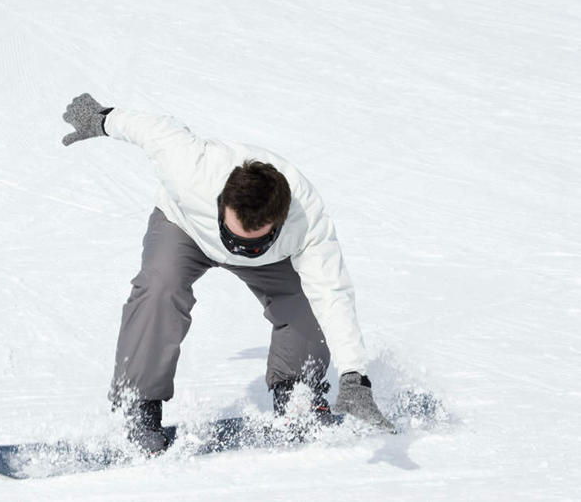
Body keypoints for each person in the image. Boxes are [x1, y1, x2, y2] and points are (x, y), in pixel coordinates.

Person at [61, 93, 394, 453]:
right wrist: (102, 118)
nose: (236, 250)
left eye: (250, 244)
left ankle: (299, 396)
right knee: (159, 287)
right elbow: (152, 129)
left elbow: (333, 294)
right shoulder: (192, 169)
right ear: (222, 205)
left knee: (308, 305)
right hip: (185, 229)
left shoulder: (307, 221)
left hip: (274, 261)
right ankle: (137, 409)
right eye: (232, 237)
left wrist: (354, 376)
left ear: (279, 223)